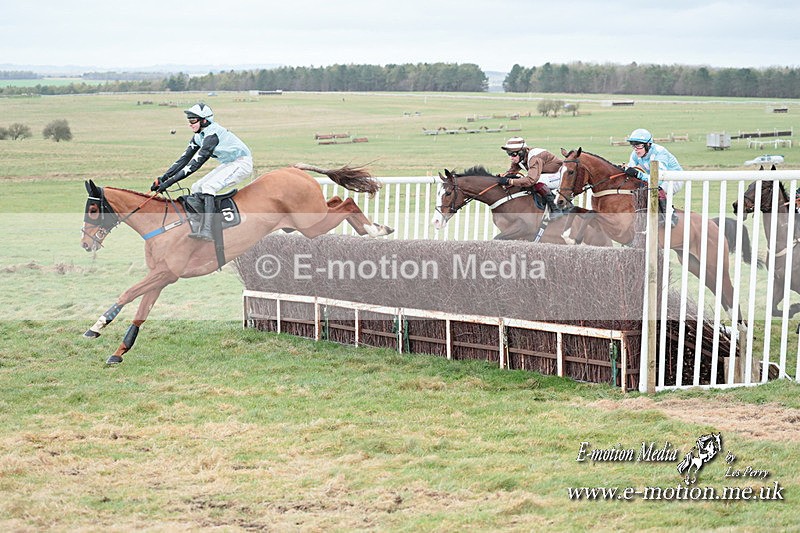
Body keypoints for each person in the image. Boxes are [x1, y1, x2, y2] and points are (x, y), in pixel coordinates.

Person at [151, 103, 253, 241]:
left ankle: (208, 230)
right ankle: (198, 224)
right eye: (189, 120)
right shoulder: (199, 136)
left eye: (193, 120)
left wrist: (169, 183)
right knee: (196, 187)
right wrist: (163, 178)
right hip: (229, 163)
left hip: (242, 163)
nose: (190, 124)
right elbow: (184, 159)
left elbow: (195, 164)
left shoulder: (212, 136)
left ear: (204, 120)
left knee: (208, 186)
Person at [623, 128, 682, 226]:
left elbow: (658, 180)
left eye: (638, 145)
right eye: (633, 145)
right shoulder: (635, 154)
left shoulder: (660, 153)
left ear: (648, 144)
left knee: (657, 189)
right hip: (656, 178)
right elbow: (631, 169)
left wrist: (638, 174)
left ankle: (670, 216)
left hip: (673, 179)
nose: (636, 149)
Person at [497, 137, 567, 218]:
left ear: (521, 152)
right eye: (509, 154)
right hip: (547, 175)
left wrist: (509, 181)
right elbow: (511, 172)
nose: (511, 157)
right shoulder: (520, 157)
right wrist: (500, 177)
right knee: (524, 180)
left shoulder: (534, 157)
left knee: (536, 181)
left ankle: (556, 208)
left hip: (561, 176)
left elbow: (531, 180)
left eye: (513, 154)